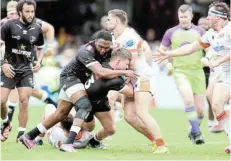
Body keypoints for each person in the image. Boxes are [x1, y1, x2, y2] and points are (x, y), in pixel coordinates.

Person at [19, 30, 138, 151]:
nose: (103, 50)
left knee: (60, 114)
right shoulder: (85, 51)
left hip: (81, 82)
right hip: (70, 78)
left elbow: (122, 56)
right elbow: (100, 72)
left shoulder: (110, 50)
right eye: (100, 46)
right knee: (85, 105)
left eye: (106, 47)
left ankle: (28, 136)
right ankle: (67, 144)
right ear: (95, 41)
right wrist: (124, 72)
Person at [153, 1, 230, 154]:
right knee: (216, 106)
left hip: (221, 70)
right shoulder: (210, 34)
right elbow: (190, 48)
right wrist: (168, 54)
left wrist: (218, 60)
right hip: (227, 75)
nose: (207, 18)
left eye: (210, 15)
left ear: (220, 17)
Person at [106, 9, 169, 153]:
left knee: (142, 112)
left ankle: (161, 145)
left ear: (117, 21)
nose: (107, 22)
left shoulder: (128, 37)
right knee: (129, 116)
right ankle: (154, 140)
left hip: (141, 76)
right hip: (131, 78)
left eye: (109, 19)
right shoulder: (116, 37)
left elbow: (132, 62)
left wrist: (118, 76)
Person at [0, 0, 56, 142]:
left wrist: (39, 61)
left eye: (32, 11)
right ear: (20, 12)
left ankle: (21, 134)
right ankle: (6, 122)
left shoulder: (37, 28)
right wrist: (3, 64)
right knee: (1, 102)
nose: (30, 14)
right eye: (27, 11)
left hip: (26, 69)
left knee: (24, 101)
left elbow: (40, 47)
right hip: (9, 68)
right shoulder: (7, 25)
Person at [158, 4, 206, 144]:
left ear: (191, 16)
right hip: (180, 71)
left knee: (200, 110)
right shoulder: (170, 32)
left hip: (197, 72)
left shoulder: (201, 32)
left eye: (186, 16)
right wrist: (167, 63)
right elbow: (162, 51)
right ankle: (197, 133)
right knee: (188, 100)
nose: (183, 19)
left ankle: (193, 129)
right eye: (181, 17)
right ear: (178, 17)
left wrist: (206, 58)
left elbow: (209, 52)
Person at [198, 16, 224, 133]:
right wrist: (207, 58)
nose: (206, 22)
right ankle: (218, 122)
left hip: (220, 68)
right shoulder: (208, 34)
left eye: (209, 19)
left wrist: (211, 59)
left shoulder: (226, 31)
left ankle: (221, 121)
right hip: (211, 68)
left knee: (215, 97)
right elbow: (212, 50)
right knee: (209, 94)